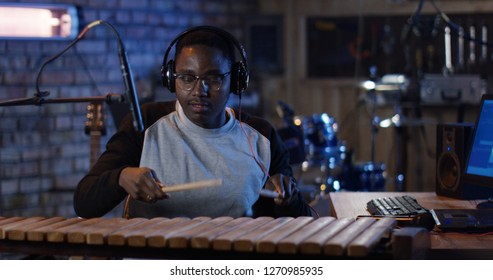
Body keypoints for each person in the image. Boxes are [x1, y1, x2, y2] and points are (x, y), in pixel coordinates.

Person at [74, 26, 312, 219]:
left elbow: (298, 224)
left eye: (214, 78)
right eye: (187, 78)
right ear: (170, 79)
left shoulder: (262, 136)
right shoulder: (145, 125)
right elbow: (84, 203)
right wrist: (120, 178)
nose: (200, 90)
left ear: (236, 81)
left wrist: (288, 199)